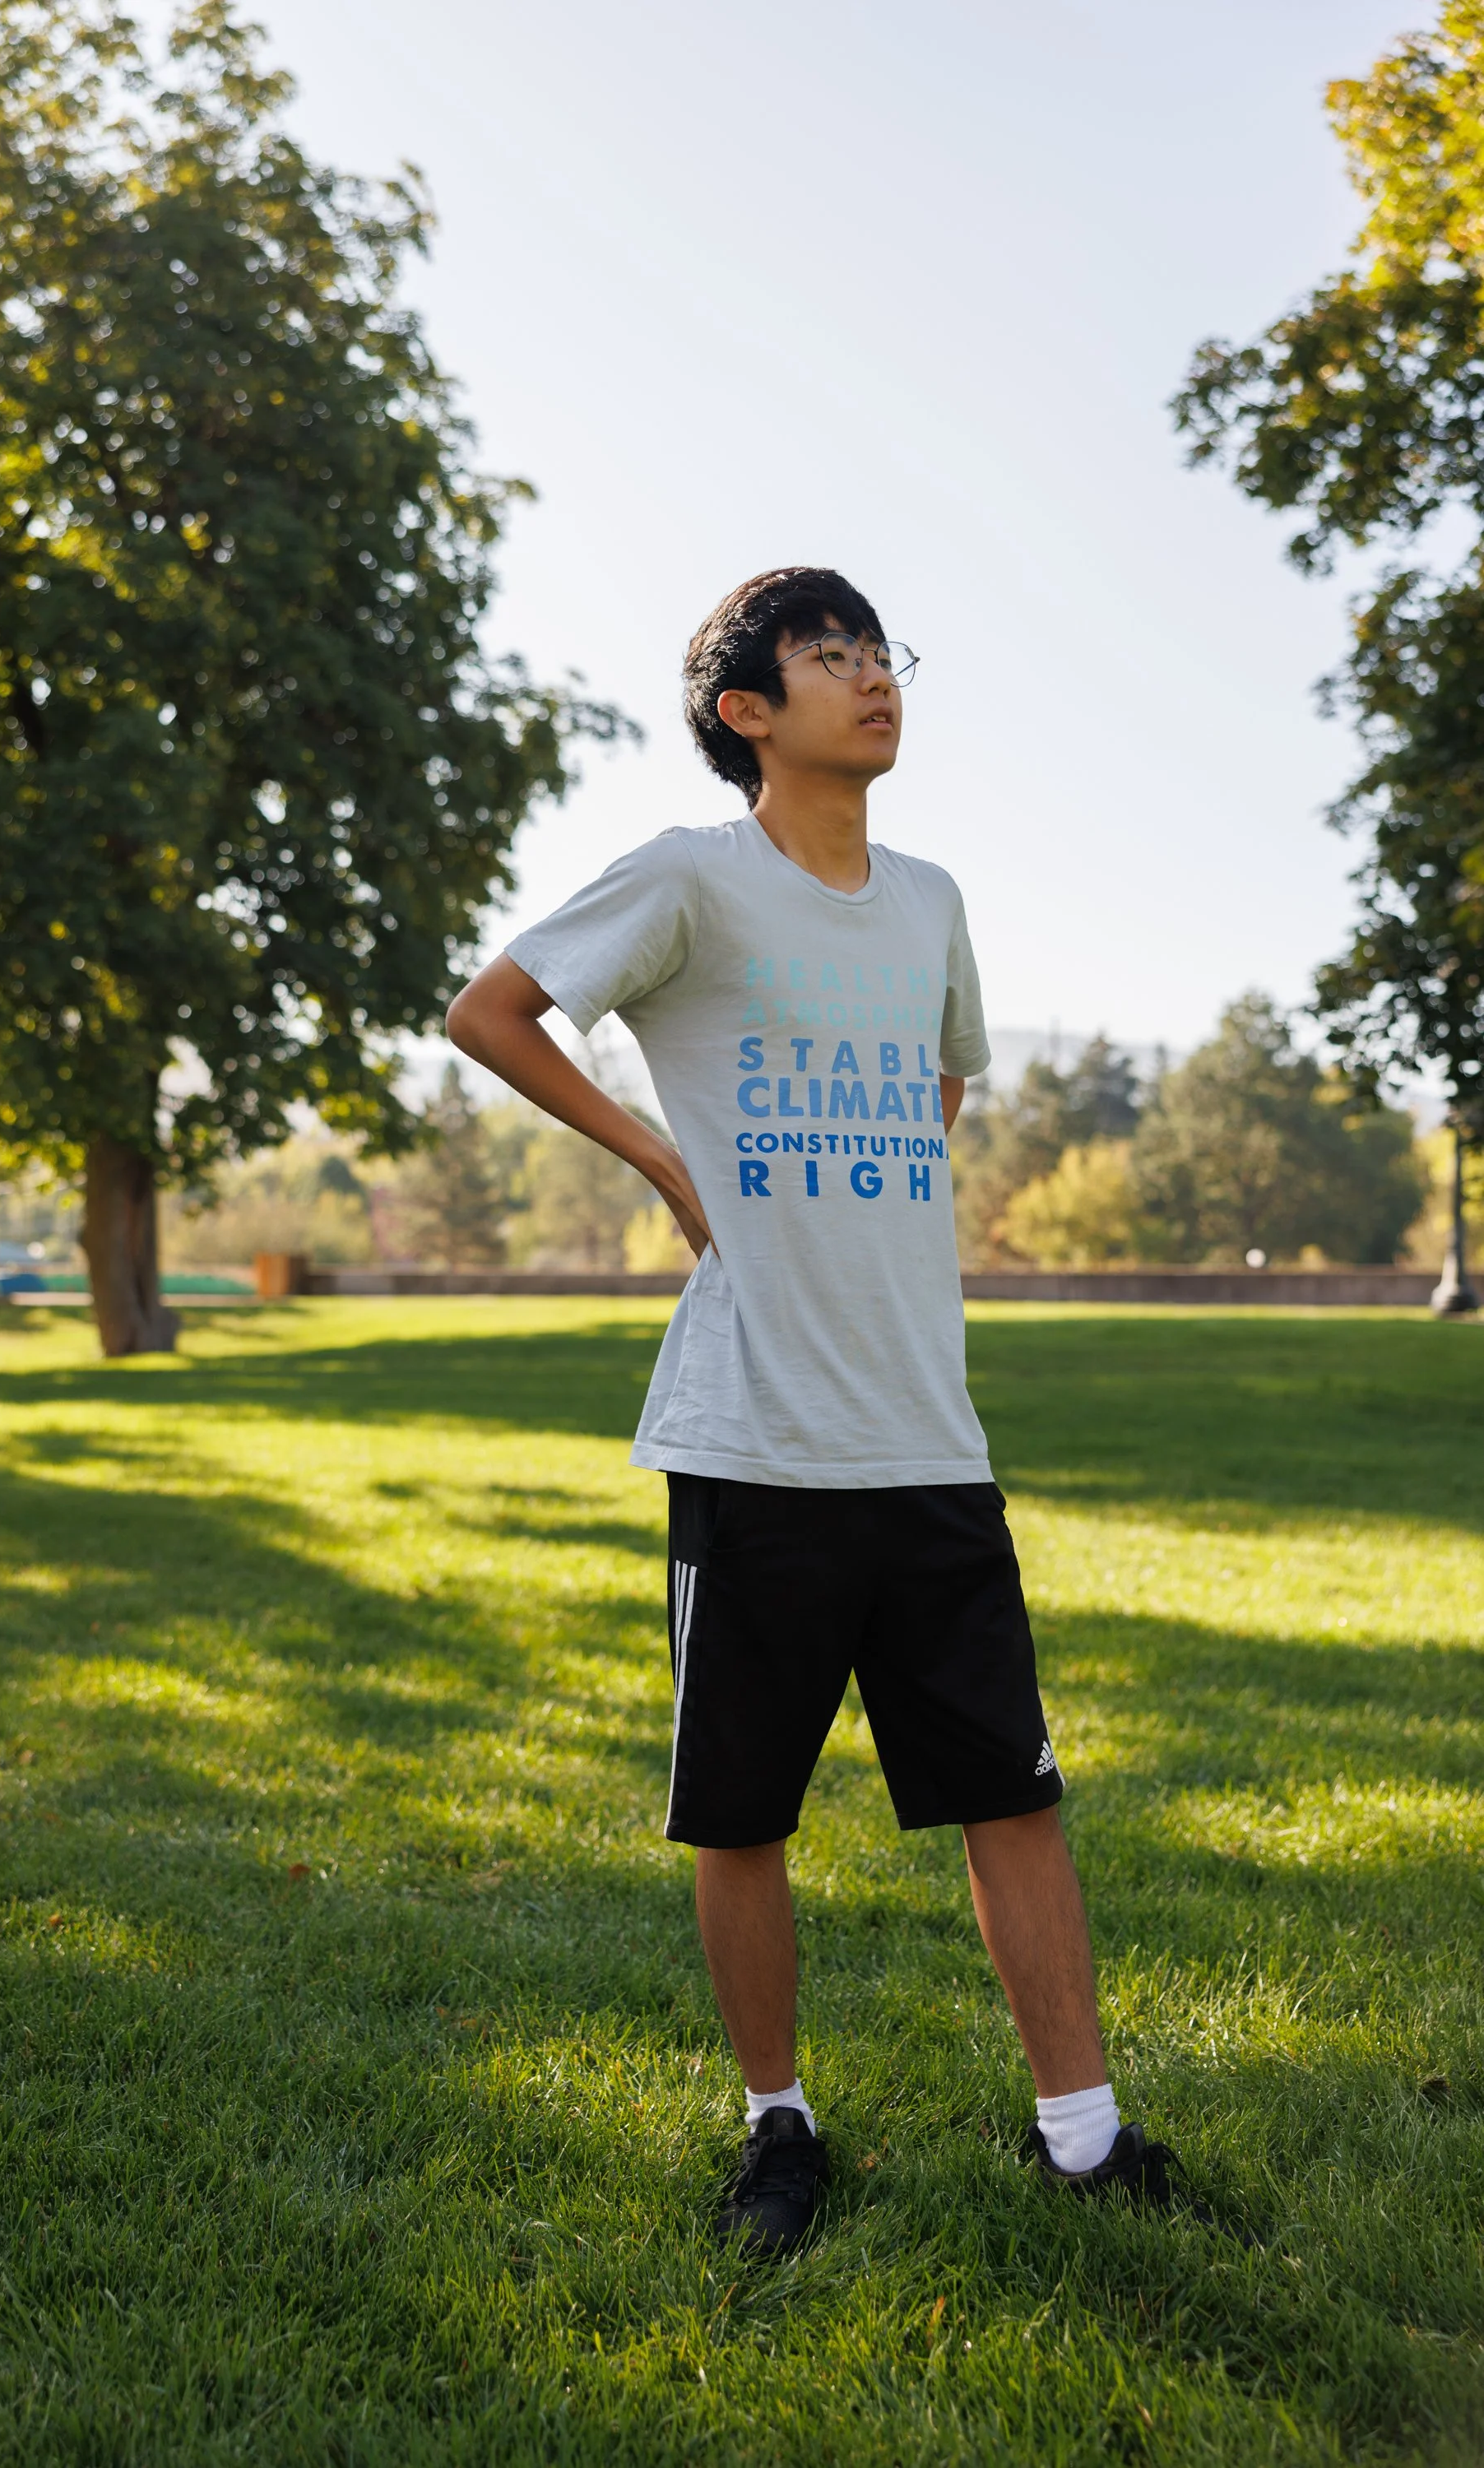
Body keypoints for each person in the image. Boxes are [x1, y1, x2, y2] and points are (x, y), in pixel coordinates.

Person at [448, 565, 1195, 2257]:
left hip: (928, 1437)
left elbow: (937, 1076)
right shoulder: (690, 885)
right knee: (744, 1812)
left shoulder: (928, 899)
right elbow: (492, 1011)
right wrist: (658, 1153)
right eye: (830, 658)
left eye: (881, 654)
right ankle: (777, 2127)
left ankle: (1081, 2134)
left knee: (1013, 1792)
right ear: (748, 713)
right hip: (751, 1437)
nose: (872, 680)